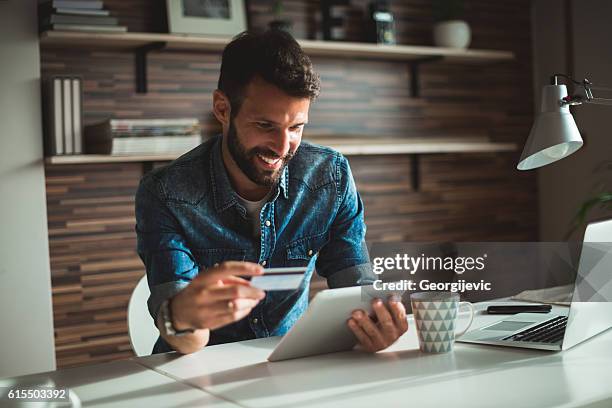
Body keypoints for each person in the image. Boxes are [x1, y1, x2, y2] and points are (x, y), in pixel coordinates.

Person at [135, 29, 408, 355]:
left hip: (291, 363)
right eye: (265, 125)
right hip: (194, 369)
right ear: (222, 109)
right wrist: (183, 316)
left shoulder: (330, 177)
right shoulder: (166, 192)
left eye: (296, 127)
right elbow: (184, 337)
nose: (282, 147)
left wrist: (379, 322)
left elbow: (356, 285)